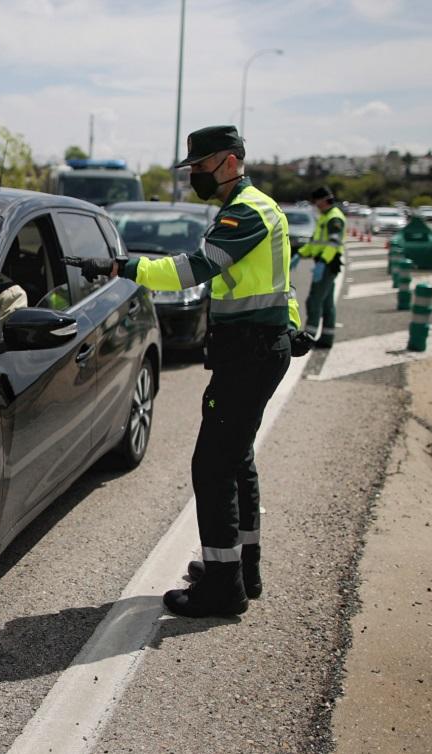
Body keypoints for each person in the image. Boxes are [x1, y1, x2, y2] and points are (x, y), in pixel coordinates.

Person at [68, 125, 301, 618]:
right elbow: (281, 284)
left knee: (213, 468)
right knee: (236, 462)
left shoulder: (246, 213)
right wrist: (292, 327)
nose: (194, 173)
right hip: (258, 350)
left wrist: (122, 268)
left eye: (200, 165)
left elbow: (192, 270)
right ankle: (242, 571)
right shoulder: (260, 206)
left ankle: (223, 588)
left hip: (249, 355)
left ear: (230, 162)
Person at [297, 186, 346, 347]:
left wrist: (323, 262)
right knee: (326, 303)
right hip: (325, 262)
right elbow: (315, 243)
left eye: (317, 201)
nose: (315, 205)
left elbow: (333, 243)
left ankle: (308, 338)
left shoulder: (333, 219)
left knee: (314, 301)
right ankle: (326, 338)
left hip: (328, 263)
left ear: (324, 200)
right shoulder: (326, 217)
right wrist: (300, 254)